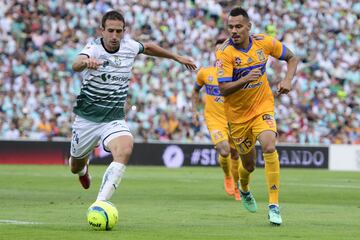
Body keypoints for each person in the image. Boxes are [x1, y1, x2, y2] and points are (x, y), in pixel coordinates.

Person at [69, 10, 196, 203]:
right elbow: (76, 63)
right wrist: (86, 62)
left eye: (119, 31)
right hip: (87, 120)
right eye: (110, 31)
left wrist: (176, 57)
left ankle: (100, 203)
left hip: (113, 119)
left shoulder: (129, 46)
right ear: (101, 30)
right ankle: (83, 169)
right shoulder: (93, 48)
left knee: (125, 148)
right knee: (75, 166)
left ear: (124, 31)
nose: (114, 36)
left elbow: (149, 47)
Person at [215, 7, 299, 225]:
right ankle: (243, 188)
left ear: (248, 27)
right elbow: (223, 89)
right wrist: (245, 79)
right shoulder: (224, 53)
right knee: (249, 165)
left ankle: (274, 205)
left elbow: (292, 57)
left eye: (238, 26)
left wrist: (288, 80)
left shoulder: (264, 42)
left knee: (270, 145)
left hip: (262, 107)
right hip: (237, 117)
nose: (234, 31)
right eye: (230, 26)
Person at [191, 38, 243, 201]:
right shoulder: (205, 73)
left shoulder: (236, 74)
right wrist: (195, 112)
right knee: (224, 149)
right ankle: (228, 176)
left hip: (233, 120)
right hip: (214, 119)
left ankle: (237, 186)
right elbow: (195, 91)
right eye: (217, 50)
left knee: (235, 154)